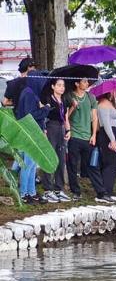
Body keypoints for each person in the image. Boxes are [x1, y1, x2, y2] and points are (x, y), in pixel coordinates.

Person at [15, 71, 50, 204]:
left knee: (32, 164)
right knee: (28, 165)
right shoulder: (29, 94)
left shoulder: (31, 93)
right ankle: (24, 194)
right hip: (29, 133)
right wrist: (46, 109)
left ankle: (32, 192)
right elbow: (32, 115)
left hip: (34, 132)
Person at [65, 76, 99, 199]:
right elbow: (65, 117)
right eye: (84, 81)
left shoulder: (91, 97)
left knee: (92, 165)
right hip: (74, 135)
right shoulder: (69, 96)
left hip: (87, 136)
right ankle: (75, 191)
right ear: (77, 83)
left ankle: (100, 191)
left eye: (87, 81)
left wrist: (94, 134)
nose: (87, 83)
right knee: (73, 165)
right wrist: (73, 106)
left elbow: (94, 117)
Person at [40, 77, 72, 203]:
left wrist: (68, 130)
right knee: (49, 157)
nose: (61, 88)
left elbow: (65, 118)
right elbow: (43, 116)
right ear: (53, 87)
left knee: (61, 158)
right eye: (59, 85)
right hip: (50, 128)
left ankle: (59, 188)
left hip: (61, 128)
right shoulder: (48, 99)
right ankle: (48, 189)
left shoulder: (63, 100)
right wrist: (44, 130)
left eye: (63, 85)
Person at [93, 92, 116, 204]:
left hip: (112, 133)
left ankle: (109, 191)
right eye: (114, 90)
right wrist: (112, 140)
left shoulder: (109, 103)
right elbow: (106, 124)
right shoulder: (103, 104)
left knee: (112, 163)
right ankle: (105, 192)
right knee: (110, 163)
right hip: (108, 134)